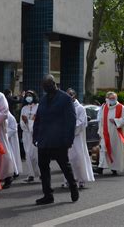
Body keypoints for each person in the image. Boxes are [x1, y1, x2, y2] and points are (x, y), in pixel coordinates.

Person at [33, 75, 78, 205]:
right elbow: (38, 119)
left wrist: (69, 140)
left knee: (65, 166)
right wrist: (35, 136)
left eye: (47, 86)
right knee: (44, 168)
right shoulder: (43, 99)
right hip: (44, 140)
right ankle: (48, 195)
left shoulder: (65, 98)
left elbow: (71, 121)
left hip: (59, 141)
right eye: (44, 87)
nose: (46, 89)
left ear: (54, 84)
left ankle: (73, 187)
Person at [62, 88, 95, 189]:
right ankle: (68, 180)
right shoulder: (64, 107)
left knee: (79, 158)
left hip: (77, 138)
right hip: (67, 138)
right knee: (68, 159)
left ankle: (81, 180)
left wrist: (70, 127)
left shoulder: (80, 108)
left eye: (70, 95)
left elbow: (82, 122)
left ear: (74, 96)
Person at [96, 91, 124, 175]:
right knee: (103, 149)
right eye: (111, 98)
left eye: (114, 98)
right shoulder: (104, 107)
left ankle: (114, 168)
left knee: (115, 151)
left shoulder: (121, 107)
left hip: (116, 133)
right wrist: (100, 132)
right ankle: (100, 167)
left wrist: (116, 121)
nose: (113, 100)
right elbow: (101, 120)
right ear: (107, 99)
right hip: (105, 132)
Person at [20, 90, 41, 183]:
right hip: (27, 134)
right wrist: (26, 122)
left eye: (30, 95)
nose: (28, 97)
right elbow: (21, 121)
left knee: (36, 155)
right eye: (27, 95)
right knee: (28, 154)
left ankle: (41, 174)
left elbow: (40, 120)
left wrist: (31, 122)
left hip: (36, 134)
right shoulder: (24, 108)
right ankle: (31, 175)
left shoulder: (38, 107)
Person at [7, 111, 23, 177]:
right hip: (6, 140)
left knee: (13, 156)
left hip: (11, 141)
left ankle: (15, 171)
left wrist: (5, 134)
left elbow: (14, 129)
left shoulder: (10, 117)